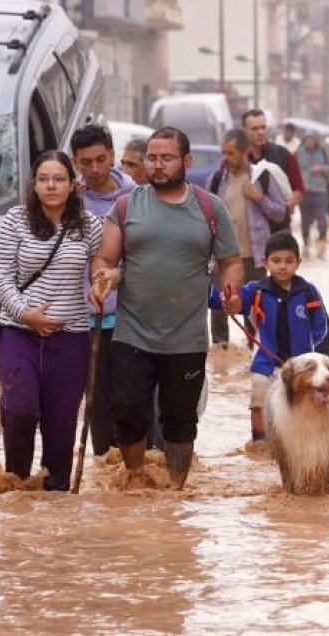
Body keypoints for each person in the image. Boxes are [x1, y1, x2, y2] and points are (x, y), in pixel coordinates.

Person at [89, 127, 243, 490]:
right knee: (126, 413)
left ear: (186, 161)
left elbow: (231, 260)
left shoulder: (209, 208)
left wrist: (232, 292)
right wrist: (103, 278)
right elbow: (105, 257)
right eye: (152, 158)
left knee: (180, 422)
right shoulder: (127, 206)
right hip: (133, 334)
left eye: (166, 158)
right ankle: (137, 478)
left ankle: (175, 493)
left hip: (186, 338)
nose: (157, 166)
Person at [0, 150, 102, 491]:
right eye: (43, 179)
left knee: (62, 422)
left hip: (71, 339)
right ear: (34, 184)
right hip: (19, 332)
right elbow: (0, 277)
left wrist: (101, 285)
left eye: (58, 179)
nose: (50, 186)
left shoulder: (90, 226)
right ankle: (18, 486)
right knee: (19, 410)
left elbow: (103, 266)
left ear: (73, 185)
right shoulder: (16, 219)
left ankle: (55, 498)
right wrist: (27, 314)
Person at [211, 233, 329, 441]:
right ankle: (259, 442)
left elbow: (322, 326)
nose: (282, 266)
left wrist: (321, 358)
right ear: (265, 262)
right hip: (266, 364)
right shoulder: (256, 291)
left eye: (289, 261)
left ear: (298, 263)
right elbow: (226, 301)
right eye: (276, 261)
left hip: (301, 368)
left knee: (304, 408)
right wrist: (209, 292)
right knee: (258, 404)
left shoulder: (309, 293)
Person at [69, 123, 135, 456]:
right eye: (85, 162)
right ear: (75, 162)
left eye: (100, 159)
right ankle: (104, 468)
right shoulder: (69, 200)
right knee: (95, 401)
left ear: (112, 155)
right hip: (83, 318)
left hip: (128, 317)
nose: (94, 169)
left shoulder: (134, 198)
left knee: (130, 398)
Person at [206, 128, 287, 348]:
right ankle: (222, 359)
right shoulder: (215, 180)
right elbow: (205, 217)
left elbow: (280, 212)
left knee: (253, 310)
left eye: (231, 153)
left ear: (245, 152)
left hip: (254, 256)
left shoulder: (262, 178)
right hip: (223, 256)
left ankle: (254, 356)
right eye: (224, 152)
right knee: (219, 309)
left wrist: (259, 198)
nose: (226, 158)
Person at [241, 109, 304, 233]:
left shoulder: (283, 155)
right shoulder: (238, 160)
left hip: (279, 228)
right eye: (255, 129)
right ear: (244, 131)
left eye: (263, 127)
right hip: (249, 231)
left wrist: (287, 206)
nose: (261, 132)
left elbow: (299, 189)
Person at [295, 131, 329, 251]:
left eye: (312, 140)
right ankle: (306, 244)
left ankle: (322, 243)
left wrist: (321, 168)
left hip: (320, 190)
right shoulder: (298, 152)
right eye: (308, 140)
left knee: (321, 218)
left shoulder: (322, 152)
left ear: (316, 141)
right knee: (305, 219)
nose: (310, 142)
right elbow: (292, 169)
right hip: (304, 190)